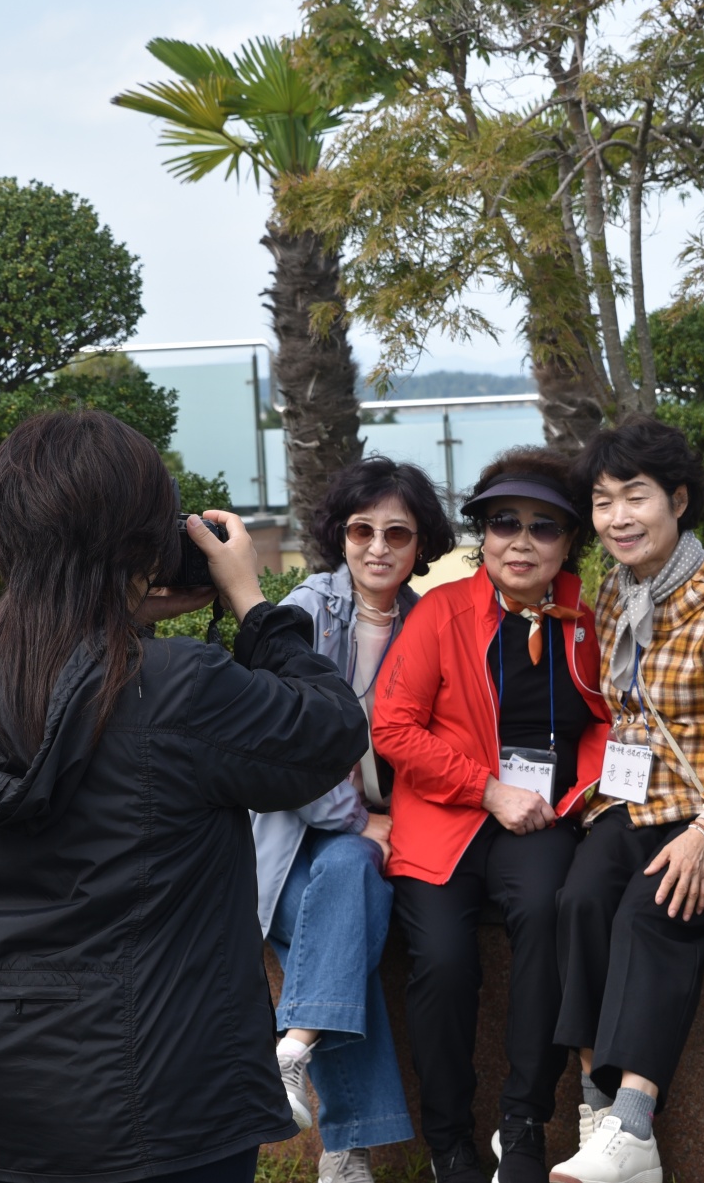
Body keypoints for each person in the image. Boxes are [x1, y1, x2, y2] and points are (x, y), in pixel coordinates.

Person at [0, 409, 367, 1183]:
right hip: (155, 1102)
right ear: (141, 543)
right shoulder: (176, 686)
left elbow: (76, 684)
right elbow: (327, 728)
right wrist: (254, 604)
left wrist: (114, 612)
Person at [371, 448, 611, 1183]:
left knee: (547, 913)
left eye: (544, 526)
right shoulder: (442, 613)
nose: (521, 541)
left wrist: (582, 793)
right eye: (504, 522)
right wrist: (486, 789)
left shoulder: (584, 619)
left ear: (570, 542)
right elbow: (393, 727)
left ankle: (523, 1122)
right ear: (484, 534)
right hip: (447, 817)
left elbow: (610, 719)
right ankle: (449, 1143)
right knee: (444, 962)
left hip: (539, 819)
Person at [548, 416, 704, 1183]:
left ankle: (634, 1125)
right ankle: (597, 1108)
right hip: (634, 802)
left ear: (678, 499)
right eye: (603, 501)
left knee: (653, 908)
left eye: (634, 496)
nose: (618, 517)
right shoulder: (616, 591)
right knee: (577, 901)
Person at [260, 458, 455, 1183]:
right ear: (338, 535)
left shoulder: (427, 622)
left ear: (420, 543)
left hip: (372, 837)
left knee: (350, 885)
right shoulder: (306, 611)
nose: (377, 547)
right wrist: (356, 818)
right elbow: (283, 747)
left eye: (397, 533)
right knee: (346, 916)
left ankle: (293, 1050)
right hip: (287, 836)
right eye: (360, 530)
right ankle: (345, 1149)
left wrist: (379, 823)